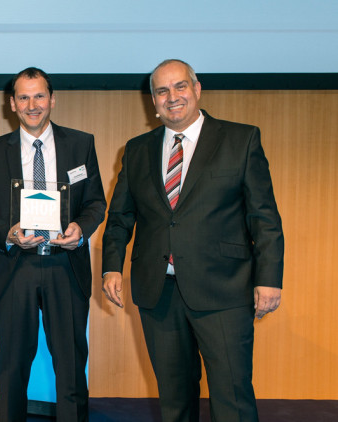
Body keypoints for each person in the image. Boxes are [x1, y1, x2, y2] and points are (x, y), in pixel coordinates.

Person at [101, 59, 284, 422]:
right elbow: (120, 217)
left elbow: (263, 216)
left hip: (224, 292)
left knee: (232, 397)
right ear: (152, 102)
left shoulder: (240, 139)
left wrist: (269, 278)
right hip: (159, 293)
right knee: (174, 401)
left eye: (180, 87)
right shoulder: (136, 150)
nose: (173, 97)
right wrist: (111, 267)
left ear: (197, 89)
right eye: (162, 91)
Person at [0, 67, 106, 421]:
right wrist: (9, 234)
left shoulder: (81, 144)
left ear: (52, 99)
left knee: (72, 369)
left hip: (66, 265)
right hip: (17, 269)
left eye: (40, 96)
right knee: (12, 370)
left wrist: (81, 227)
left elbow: (96, 203)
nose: (33, 105)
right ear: (12, 104)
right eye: (24, 97)